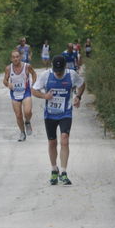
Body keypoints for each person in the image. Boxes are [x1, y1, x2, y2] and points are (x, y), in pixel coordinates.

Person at [31, 55, 85, 185]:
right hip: (50, 114)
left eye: (60, 71)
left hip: (65, 113)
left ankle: (64, 172)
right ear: (52, 68)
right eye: (56, 70)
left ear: (65, 67)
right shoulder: (46, 75)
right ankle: (54, 169)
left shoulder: (71, 75)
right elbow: (33, 90)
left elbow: (82, 84)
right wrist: (45, 95)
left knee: (65, 140)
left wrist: (78, 96)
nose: (58, 73)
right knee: (52, 143)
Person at [3, 50, 37, 141]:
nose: (15, 59)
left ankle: (28, 122)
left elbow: (34, 74)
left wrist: (33, 84)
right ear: (11, 59)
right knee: (18, 115)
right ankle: (22, 133)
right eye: (13, 57)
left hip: (26, 92)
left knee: (27, 112)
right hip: (14, 93)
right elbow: (5, 80)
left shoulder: (27, 66)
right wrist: (8, 84)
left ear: (20, 57)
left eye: (17, 57)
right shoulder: (8, 68)